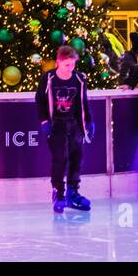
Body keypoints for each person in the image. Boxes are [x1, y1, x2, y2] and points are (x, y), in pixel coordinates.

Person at [35, 45, 95, 212]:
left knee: (76, 157)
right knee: (60, 157)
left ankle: (73, 192)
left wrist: (88, 122)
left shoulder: (79, 79)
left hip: (74, 124)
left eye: (73, 64)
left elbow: (83, 102)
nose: (70, 68)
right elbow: (39, 100)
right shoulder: (48, 79)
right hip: (56, 125)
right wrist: (44, 121)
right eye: (67, 65)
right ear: (58, 63)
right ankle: (58, 193)